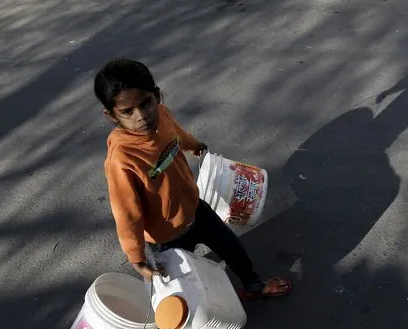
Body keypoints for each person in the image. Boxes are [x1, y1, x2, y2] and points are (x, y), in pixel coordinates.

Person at [93, 58, 291, 300]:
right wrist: (136, 256)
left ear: (157, 95)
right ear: (111, 115)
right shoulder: (122, 158)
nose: (141, 116)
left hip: (196, 209)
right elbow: (127, 213)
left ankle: (252, 285)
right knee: (184, 285)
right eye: (127, 112)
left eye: (146, 103)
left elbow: (176, 134)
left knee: (233, 249)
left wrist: (193, 145)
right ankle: (204, 316)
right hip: (166, 235)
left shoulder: (162, 116)